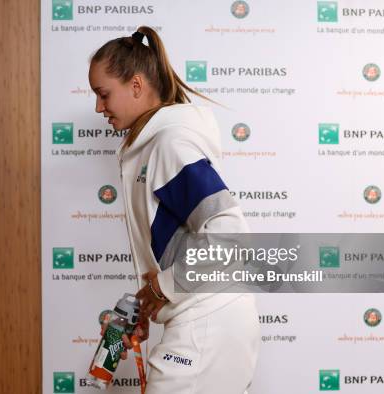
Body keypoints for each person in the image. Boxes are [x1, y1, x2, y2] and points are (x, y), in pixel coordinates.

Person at [88, 26, 260, 393]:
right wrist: (151, 299)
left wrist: (164, 287)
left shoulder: (170, 144)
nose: (98, 108)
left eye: (104, 94)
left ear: (136, 86)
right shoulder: (152, 147)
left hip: (208, 325)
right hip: (203, 322)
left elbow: (231, 237)